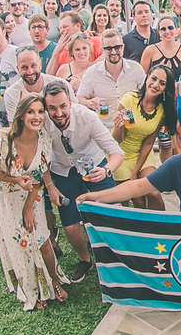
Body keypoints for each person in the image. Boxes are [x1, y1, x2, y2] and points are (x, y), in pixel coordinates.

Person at [0, 93, 68, 311]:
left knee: (43, 240)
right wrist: (14, 180)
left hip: (32, 195)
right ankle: (31, 291)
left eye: (40, 112)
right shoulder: (2, 140)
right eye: (31, 112)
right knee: (22, 245)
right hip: (7, 198)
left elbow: (40, 173)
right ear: (20, 115)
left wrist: (30, 206)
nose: (36, 117)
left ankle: (54, 282)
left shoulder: (44, 139)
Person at [43, 83, 124, 283]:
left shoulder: (87, 117)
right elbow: (40, 158)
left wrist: (106, 170)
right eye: (52, 108)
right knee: (70, 226)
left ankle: (119, 255)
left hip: (94, 164)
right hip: (62, 169)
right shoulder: (41, 121)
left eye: (63, 106)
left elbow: (116, 152)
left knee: (114, 210)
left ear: (70, 103)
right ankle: (84, 259)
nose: (58, 113)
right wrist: (50, 186)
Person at [112, 66, 175, 210]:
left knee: (154, 193)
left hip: (143, 152)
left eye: (162, 83)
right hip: (121, 152)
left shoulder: (162, 110)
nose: (156, 85)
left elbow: (149, 142)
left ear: (165, 89)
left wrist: (135, 172)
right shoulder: (130, 99)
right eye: (154, 79)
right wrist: (119, 126)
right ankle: (139, 223)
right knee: (138, 201)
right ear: (147, 78)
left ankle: (162, 223)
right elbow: (117, 139)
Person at [76, 29, 146, 121]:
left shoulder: (135, 69)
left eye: (117, 47)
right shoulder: (92, 72)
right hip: (104, 126)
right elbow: (79, 98)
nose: (113, 52)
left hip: (131, 124)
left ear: (123, 47)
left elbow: (147, 94)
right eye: (108, 49)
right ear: (102, 50)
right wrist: (89, 103)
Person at [141, 13, 181, 83]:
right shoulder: (150, 50)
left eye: (170, 28)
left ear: (176, 29)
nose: (167, 31)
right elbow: (142, 77)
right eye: (163, 29)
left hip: (177, 88)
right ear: (159, 33)